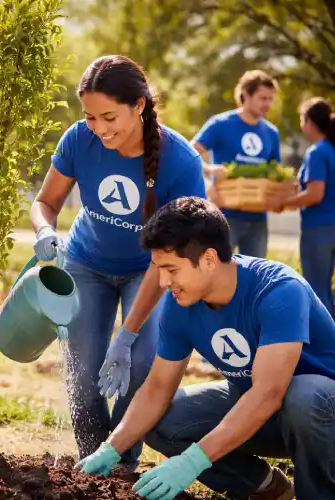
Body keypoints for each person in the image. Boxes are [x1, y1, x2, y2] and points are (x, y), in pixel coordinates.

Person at [76, 196, 335, 500]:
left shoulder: (278, 291)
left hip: (319, 416)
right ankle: (266, 487)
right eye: (159, 268)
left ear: (209, 260)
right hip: (265, 414)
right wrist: (111, 448)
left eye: (171, 269)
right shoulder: (180, 303)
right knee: (162, 421)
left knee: (303, 395)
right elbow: (157, 388)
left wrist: (193, 461)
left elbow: (268, 394)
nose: (163, 280)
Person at [30, 55, 206, 471]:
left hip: (149, 271)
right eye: (90, 117)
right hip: (86, 263)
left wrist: (125, 337)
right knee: (83, 370)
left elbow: (168, 261)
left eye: (109, 116)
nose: (99, 128)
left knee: (141, 364)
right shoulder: (79, 140)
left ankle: (121, 460)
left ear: (139, 105)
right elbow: (46, 202)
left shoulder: (181, 163)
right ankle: (91, 464)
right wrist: (43, 231)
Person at [192, 70, 281, 259]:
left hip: (258, 219)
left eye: (270, 99)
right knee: (217, 268)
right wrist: (208, 171)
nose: (268, 104)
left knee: (256, 273)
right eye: (263, 98)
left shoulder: (272, 133)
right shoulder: (220, 123)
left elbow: (275, 172)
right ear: (245, 96)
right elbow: (189, 155)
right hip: (223, 215)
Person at [276, 98, 335, 318]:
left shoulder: (318, 152)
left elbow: (314, 194)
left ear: (309, 122)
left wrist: (282, 203)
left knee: (318, 291)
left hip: (320, 230)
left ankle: (325, 348)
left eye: (302, 119)